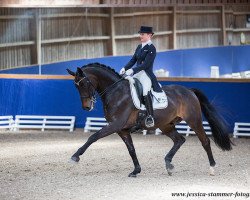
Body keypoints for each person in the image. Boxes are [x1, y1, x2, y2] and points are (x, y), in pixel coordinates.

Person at [120, 26, 162, 128]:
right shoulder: (139, 47)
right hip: (137, 73)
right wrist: (125, 68)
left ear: (149, 35)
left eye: (142, 34)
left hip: (146, 74)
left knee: (145, 91)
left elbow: (146, 64)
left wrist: (132, 70)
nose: (140, 36)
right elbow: (133, 60)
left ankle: (150, 116)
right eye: (140, 34)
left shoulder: (151, 48)